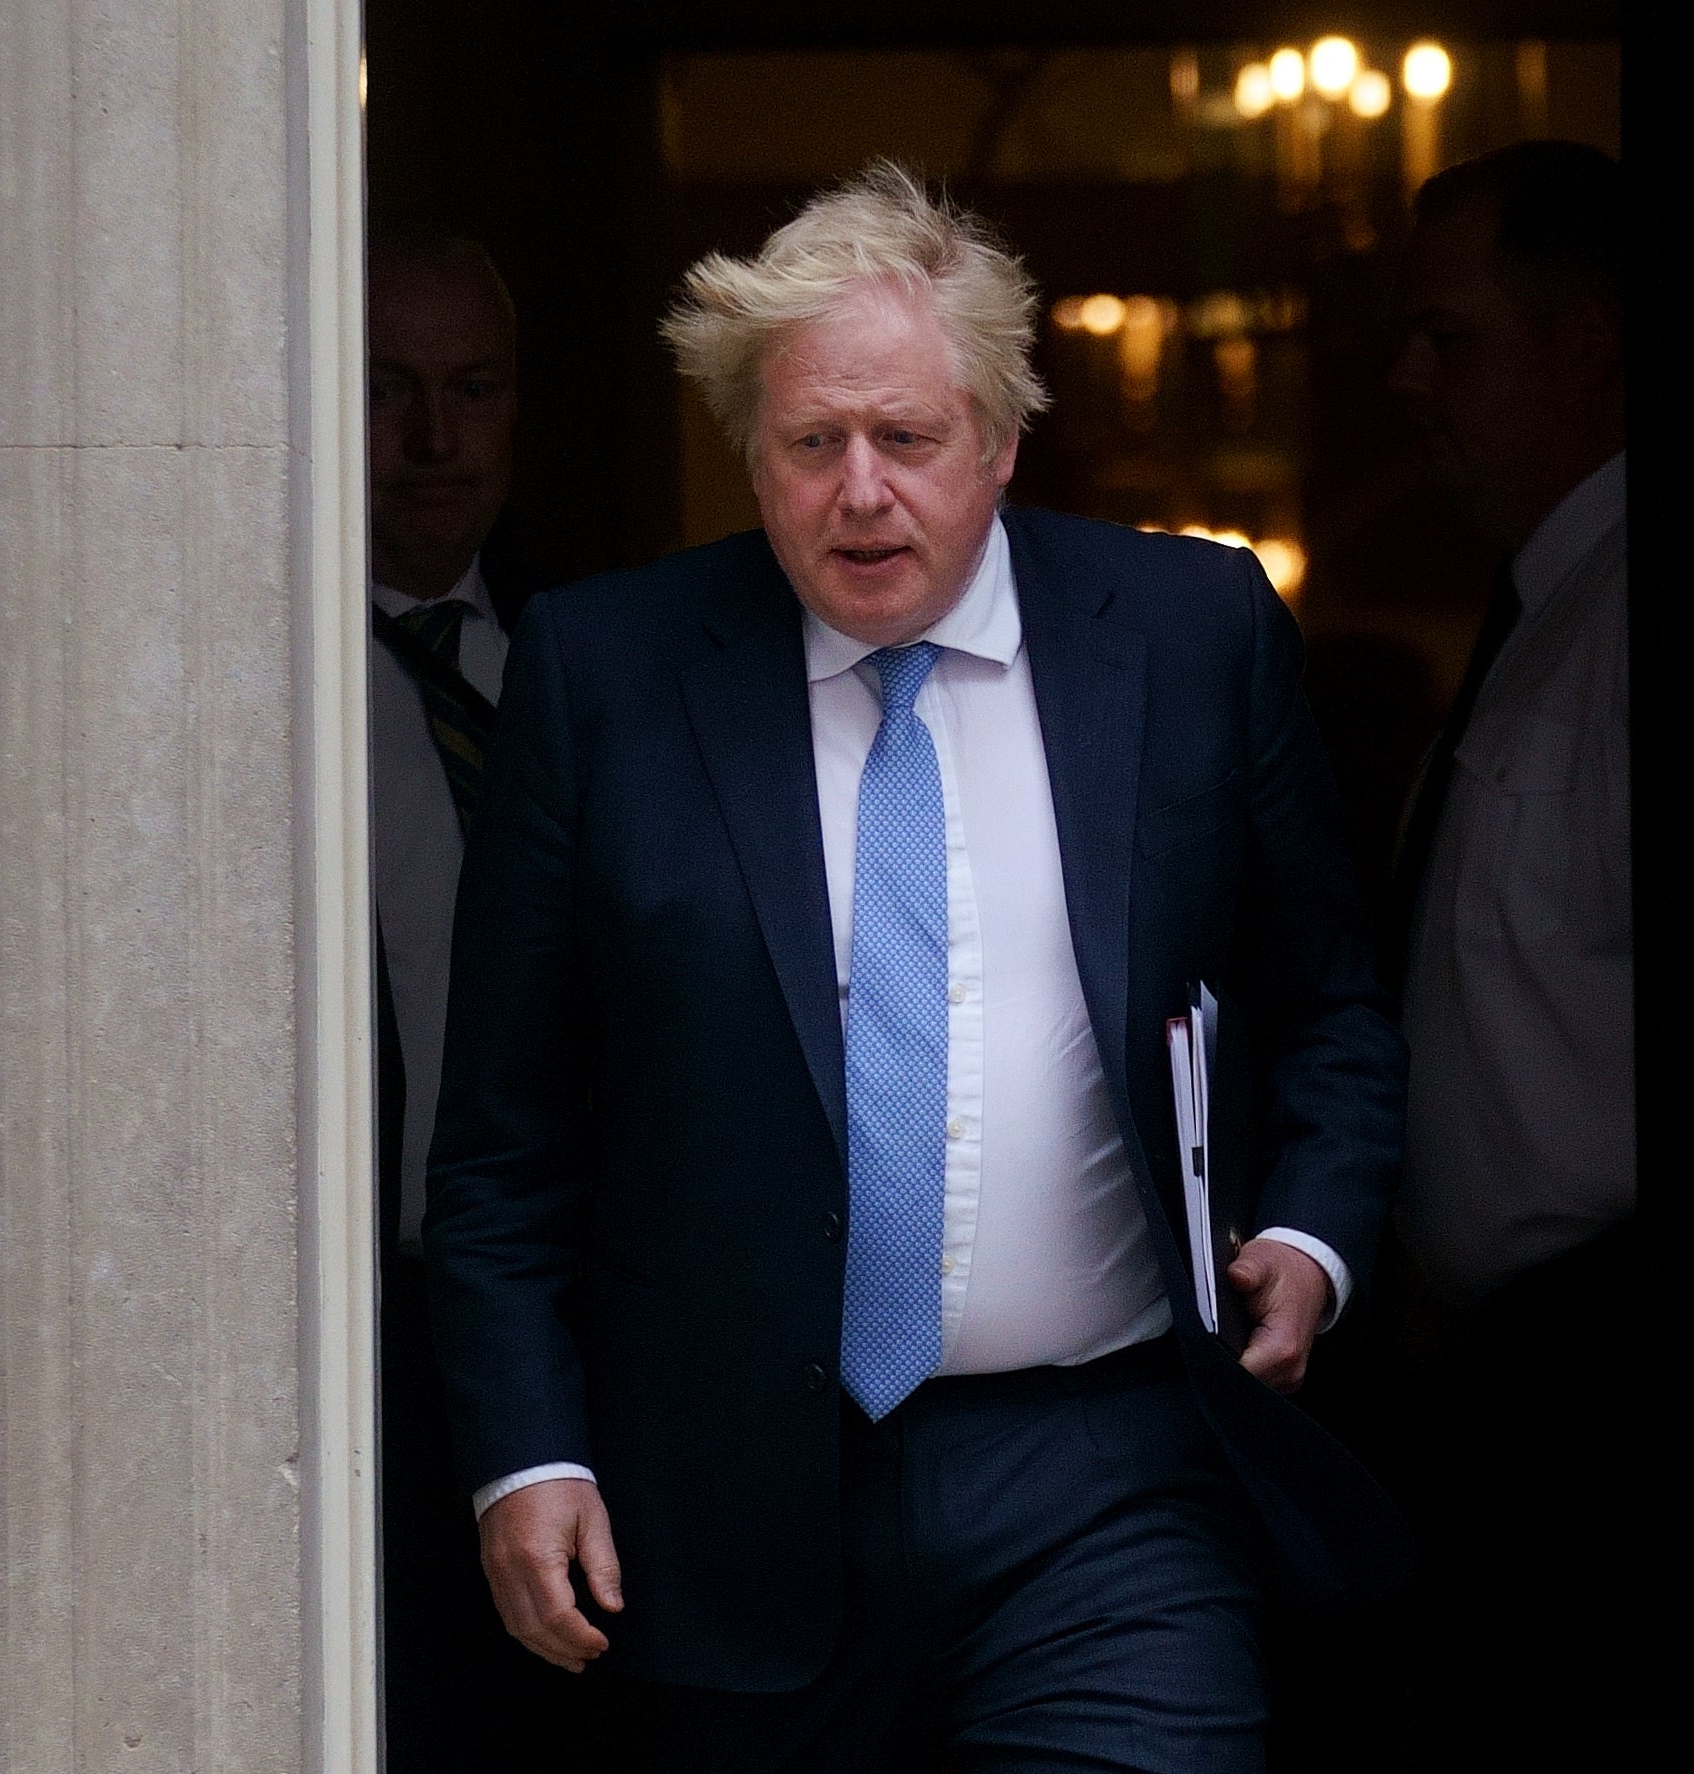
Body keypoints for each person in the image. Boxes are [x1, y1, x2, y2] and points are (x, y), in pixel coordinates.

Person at [424, 164, 1408, 1769]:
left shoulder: (1186, 628)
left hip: (1108, 1480)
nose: (859, 492)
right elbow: (505, 1142)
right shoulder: (606, 675)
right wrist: (526, 1454)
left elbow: (1332, 1004)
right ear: (754, 451)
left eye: (907, 439)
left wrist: (1310, 1228)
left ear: (1002, 442)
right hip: (723, 1498)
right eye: (811, 444)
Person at [1375, 140, 1633, 1760]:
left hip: (1601, 1376)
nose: (1408, 384)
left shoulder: (1630, 625)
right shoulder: (1545, 611)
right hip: (1486, 1384)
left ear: (1587, 339)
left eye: (1450, 337)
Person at [366, 229, 586, 1768]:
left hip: (574, 1334)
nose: (435, 439)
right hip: (349, 1331)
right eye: (387, 389)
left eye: (472, 388)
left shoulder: (589, 679)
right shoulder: (248, 682)